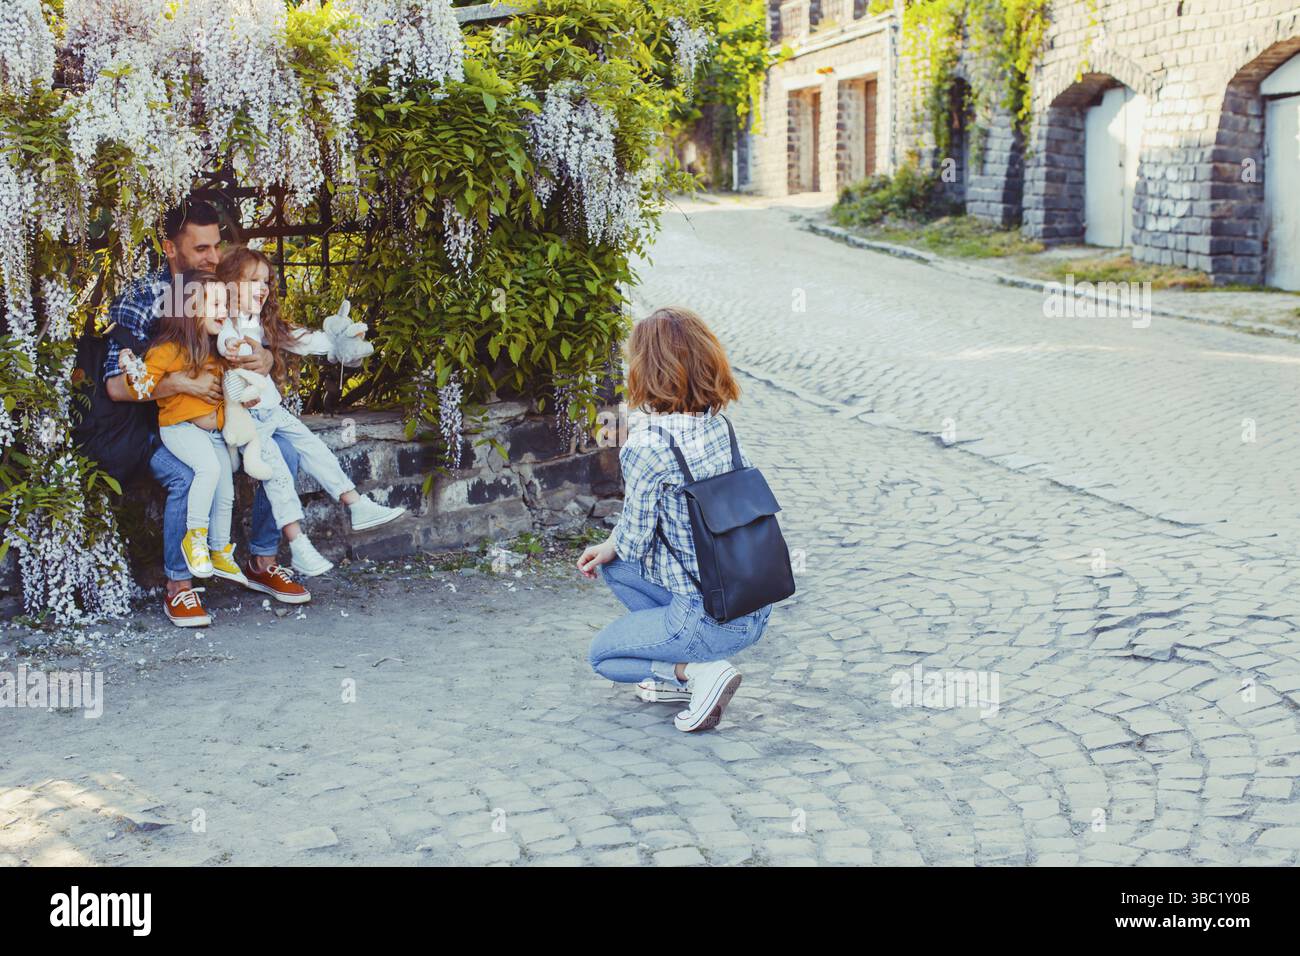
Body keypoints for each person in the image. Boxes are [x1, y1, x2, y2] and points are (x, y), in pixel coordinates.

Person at [103, 200, 309, 626]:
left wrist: (265, 362)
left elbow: (261, 340)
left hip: (222, 419)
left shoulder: (225, 287)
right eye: (201, 249)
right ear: (170, 248)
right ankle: (179, 586)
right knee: (188, 475)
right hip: (160, 428)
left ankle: (263, 562)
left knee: (282, 453)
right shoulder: (143, 298)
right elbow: (115, 385)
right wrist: (180, 383)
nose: (214, 258)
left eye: (217, 246)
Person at [577, 306, 773, 733]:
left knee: (603, 656)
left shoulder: (646, 445)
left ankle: (696, 672)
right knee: (615, 566)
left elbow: (636, 540)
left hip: (706, 620)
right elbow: (627, 549)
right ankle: (685, 674)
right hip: (751, 606)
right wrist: (611, 548)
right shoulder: (721, 426)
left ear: (645, 369)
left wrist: (616, 543)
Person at [215, 247, 405, 576]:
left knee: (317, 451)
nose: (262, 288)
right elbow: (227, 345)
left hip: (275, 412)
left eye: (266, 282)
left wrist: (338, 343)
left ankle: (356, 504)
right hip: (251, 419)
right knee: (277, 477)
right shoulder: (223, 327)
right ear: (229, 286)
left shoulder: (260, 323)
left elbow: (304, 340)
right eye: (252, 281)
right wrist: (236, 346)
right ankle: (298, 543)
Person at [119, 272, 239, 587]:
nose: (223, 310)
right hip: (180, 429)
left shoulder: (217, 350)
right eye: (214, 304)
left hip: (213, 435)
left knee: (225, 490)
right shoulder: (168, 349)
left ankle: (219, 550)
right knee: (209, 471)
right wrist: (131, 367)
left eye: (224, 303)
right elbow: (142, 386)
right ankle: (195, 539)